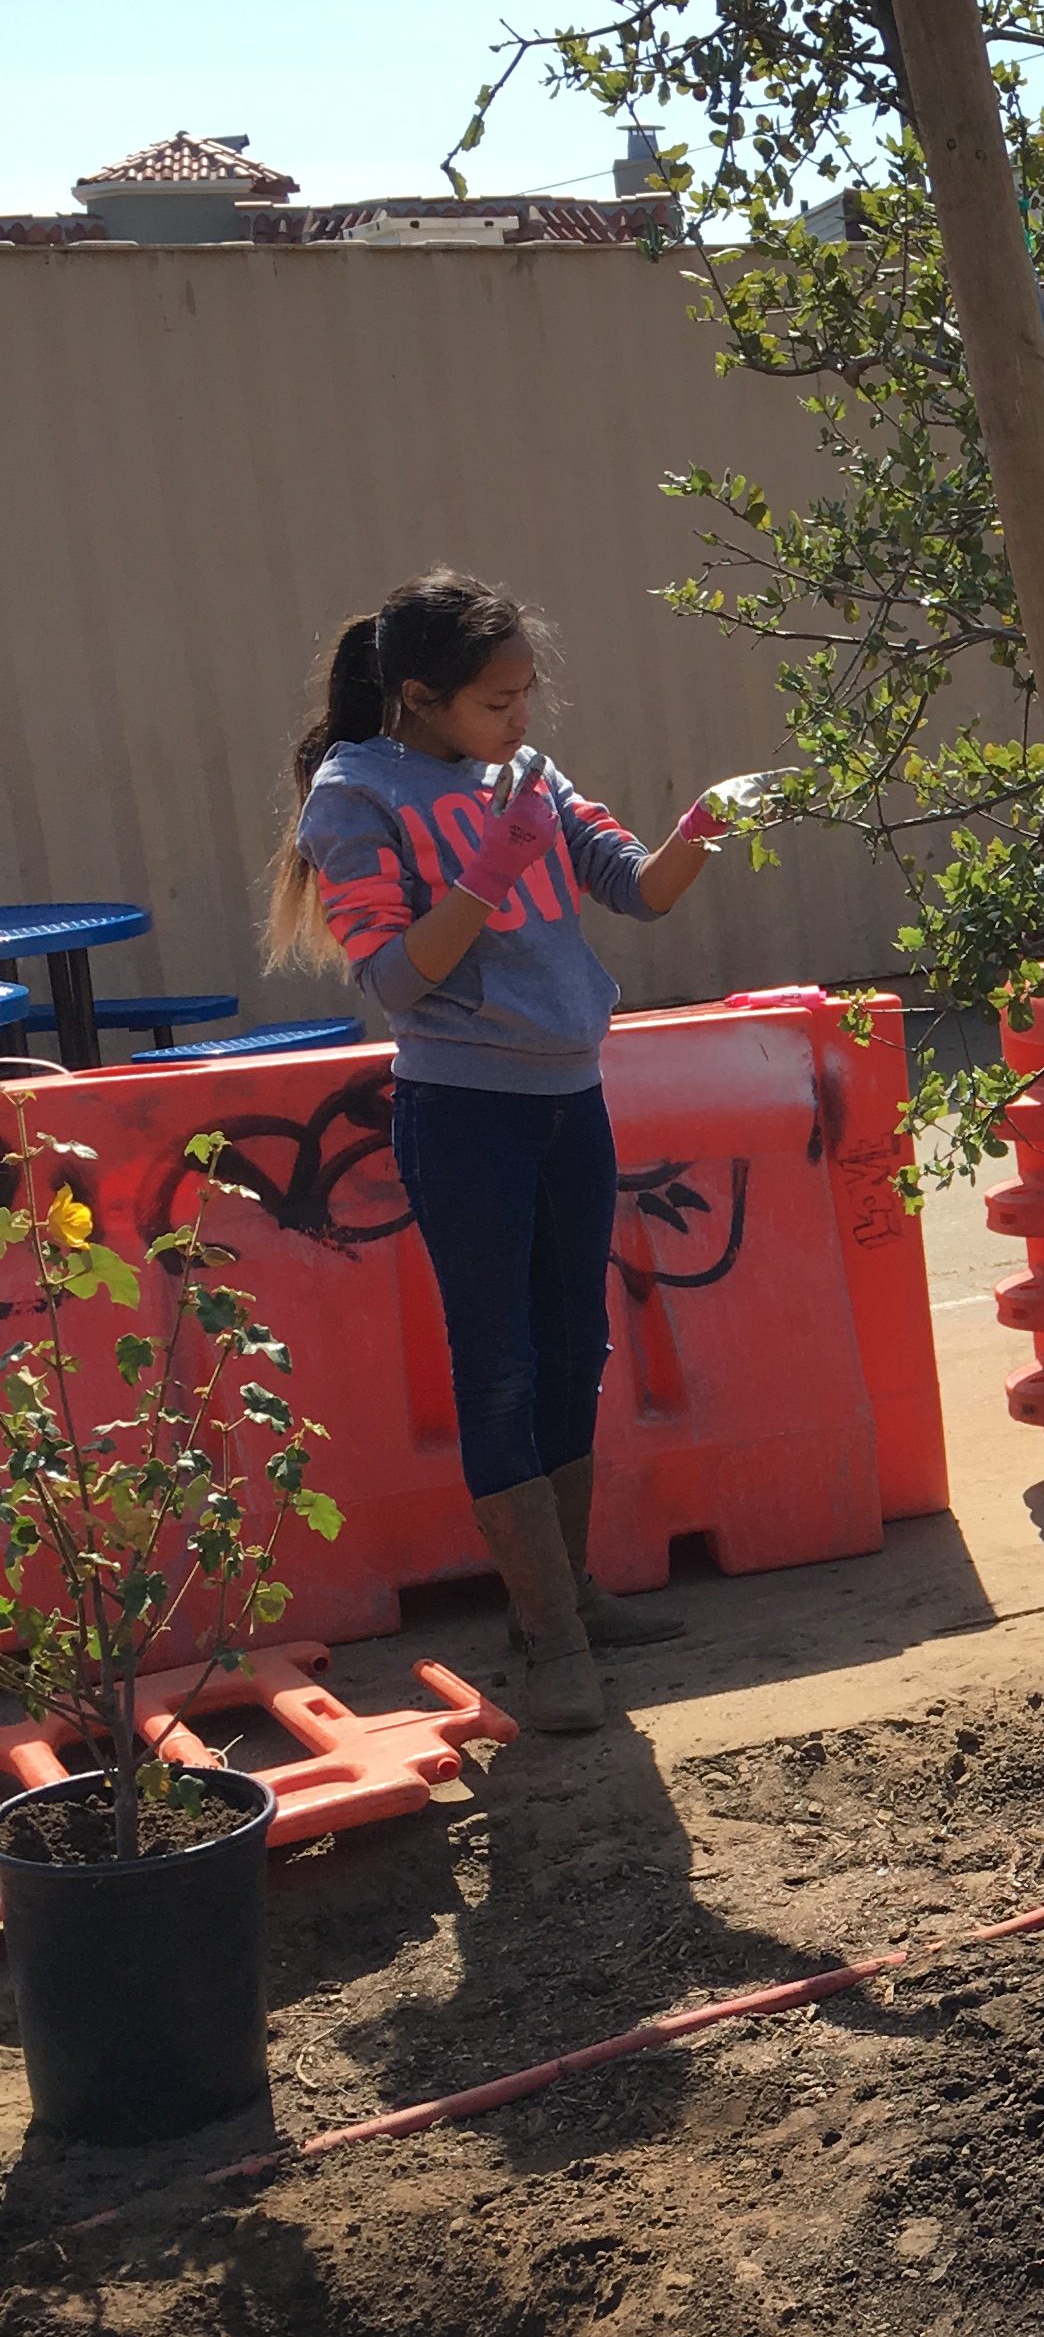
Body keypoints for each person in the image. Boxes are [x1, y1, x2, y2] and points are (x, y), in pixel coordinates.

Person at [270, 571, 750, 1735]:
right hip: (465, 1110)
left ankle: (571, 1595)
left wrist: (709, 822)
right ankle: (549, 1642)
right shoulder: (357, 792)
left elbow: (634, 890)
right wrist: (488, 870)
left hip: (568, 1098)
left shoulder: (526, 775)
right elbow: (396, 975)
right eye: (497, 701)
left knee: (573, 1346)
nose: (521, 720)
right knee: (499, 1367)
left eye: (528, 694)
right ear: (423, 698)